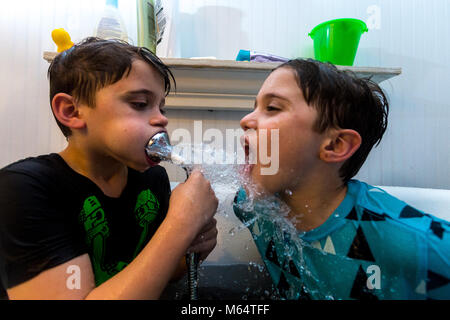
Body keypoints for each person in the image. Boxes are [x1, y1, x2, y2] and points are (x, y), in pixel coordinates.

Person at [0, 37, 218, 299]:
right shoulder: (24, 188)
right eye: (139, 104)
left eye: (161, 106)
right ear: (71, 111)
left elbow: (149, 276)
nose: (162, 118)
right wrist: (181, 224)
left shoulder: (153, 179)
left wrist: (190, 250)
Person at [234, 58, 450, 300]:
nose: (246, 120)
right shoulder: (253, 207)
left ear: (336, 145)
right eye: (254, 107)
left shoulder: (413, 243)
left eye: (272, 108)